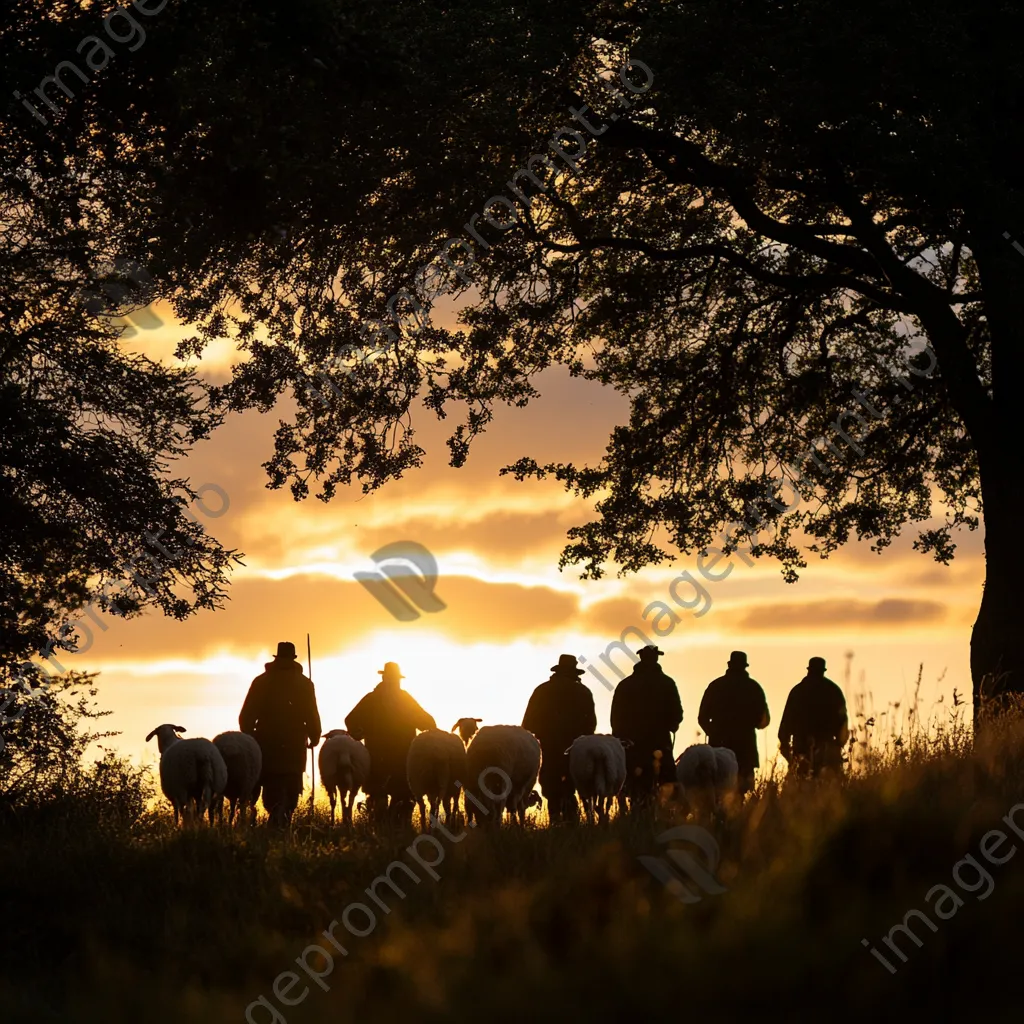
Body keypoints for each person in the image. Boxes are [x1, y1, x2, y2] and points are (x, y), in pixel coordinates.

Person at [239, 641, 322, 827]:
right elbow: (312, 713)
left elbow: (247, 714)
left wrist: (249, 735)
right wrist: (315, 735)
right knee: (292, 779)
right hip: (295, 741)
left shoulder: (261, 681)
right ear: (293, 658)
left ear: (276, 658)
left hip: (266, 739)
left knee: (269, 777)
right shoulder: (305, 683)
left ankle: (272, 815)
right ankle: (285, 818)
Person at [345, 661, 436, 823]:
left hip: (377, 756)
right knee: (402, 797)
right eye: (394, 679)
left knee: (379, 794)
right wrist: (430, 732)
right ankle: (396, 832)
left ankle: (381, 830)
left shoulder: (371, 699)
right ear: (388, 678)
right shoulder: (404, 699)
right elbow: (427, 721)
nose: (395, 682)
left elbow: (350, 720)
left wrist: (358, 733)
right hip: (402, 757)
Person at [522, 654, 597, 822]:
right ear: (574, 672)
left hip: (549, 746)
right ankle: (573, 820)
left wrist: (540, 735)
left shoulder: (542, 690)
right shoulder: (583, 692)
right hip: (576, 747)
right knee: (573, 781)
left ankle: (555, 818)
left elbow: (528, 723)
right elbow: (591, 723)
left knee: (551, 782)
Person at [610, 645, 683, 811]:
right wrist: (672, 726)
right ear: (656, 659)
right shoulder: (667, 683)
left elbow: (616, 717)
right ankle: (666, 815)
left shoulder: (625, 685)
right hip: (660, 741)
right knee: (666, 779)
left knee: (636, 782)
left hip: (632, 744)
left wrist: (621, 738)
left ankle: (637, 815)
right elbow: (677, 714)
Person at [697, 651, 771, 795]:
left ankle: (719, 816)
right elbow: (764, 721)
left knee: (719, 787)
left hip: (719, 746)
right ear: (744, 666)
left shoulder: (716, 686)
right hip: (745, 746)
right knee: (741, 790)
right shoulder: (754, 688)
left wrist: (713, 733)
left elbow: (702, 718)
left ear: (730, 665)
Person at [778, 656, 849, 777]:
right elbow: (843, 723)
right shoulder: (834, 690)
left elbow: (786, 723)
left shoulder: (797, 691)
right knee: (829, 788)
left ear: (809, 670)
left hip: (801, 749)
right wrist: (838, 746)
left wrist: (786, 748)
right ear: (823, 670)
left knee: (802, 786)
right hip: (827, 748)